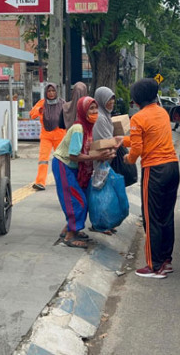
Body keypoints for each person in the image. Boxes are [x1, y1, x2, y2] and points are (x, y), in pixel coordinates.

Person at [124, 78, 180, 279]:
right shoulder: (162, 113)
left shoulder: (138, 118)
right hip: (172, 167)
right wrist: (121, 139)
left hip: (154, 170)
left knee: (151, 219)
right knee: (166, 216)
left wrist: (128, 158)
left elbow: (137, 149)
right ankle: (166, 261)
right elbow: (147, 137)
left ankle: (154, 266)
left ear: (136, 100)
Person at [52, 96, 114, 248]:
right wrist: (97, 156)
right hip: (64, 164)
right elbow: (74, 155)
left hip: (72, 167)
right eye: (90, 109)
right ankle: (69, 237)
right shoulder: (79, 129)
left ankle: (69, 229)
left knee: (81, 199)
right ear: (82, 111)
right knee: (78, 201)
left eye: (95, 108)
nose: (94, 112)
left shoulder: (88, 127)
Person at [91, 86, 124, 235]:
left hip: (106, 159)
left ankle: (106, 223)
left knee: (106, 192)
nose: (111, 102)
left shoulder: (106, 116)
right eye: (108, 99)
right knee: (101, 194)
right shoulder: (100, 118)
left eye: (112, 99)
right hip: (100, 159)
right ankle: (101, 224)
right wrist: (116, 142)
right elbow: (104, 141)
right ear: (101, 100)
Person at [30, 83, 66, 190]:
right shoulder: (42, 103)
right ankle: (40, 182)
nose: (51, 93)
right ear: (46, 92)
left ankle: (64, 181)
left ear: (56, 92)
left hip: (60, 134)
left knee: (62, 160)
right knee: (43, 159)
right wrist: (39, 110)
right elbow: (32, 114)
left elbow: (69, 116)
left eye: (53, 91)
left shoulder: (62, 103)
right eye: (49, 91)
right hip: (46, 135)